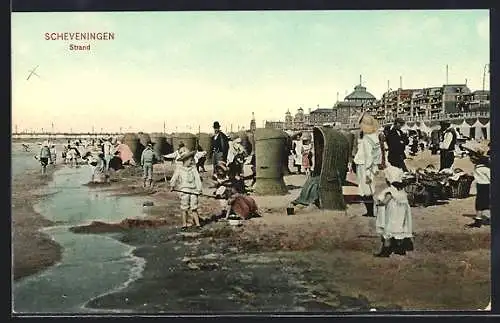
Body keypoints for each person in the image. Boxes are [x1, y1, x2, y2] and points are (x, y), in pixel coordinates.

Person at [374, 166, 414, 257]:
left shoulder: (390, 191)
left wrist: (379, 203)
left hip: (392, 214)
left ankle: (386, 250)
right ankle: (400, 249)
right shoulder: (401, 191)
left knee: (388, 230)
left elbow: (385, 201)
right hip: (401, 215)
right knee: (399, 230)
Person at [354, 113, 382, 217]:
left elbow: (368, 156)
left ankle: (370, 212)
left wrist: (367, 171)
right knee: (370, 188)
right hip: (371, 166)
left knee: (365, 189)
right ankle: (371, 211)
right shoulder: (374, 137)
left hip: (364, 166)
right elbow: (377, 155)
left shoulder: (367, 139)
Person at [169, 150, 202, 231]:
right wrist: (172, 186)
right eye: (190, 160)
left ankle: (198, 224)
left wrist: (199, 189)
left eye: (192, 160)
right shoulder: (179, 169)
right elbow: (174, 178)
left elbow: (197, 180)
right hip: (184, 190)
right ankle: (184, 224)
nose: (191, 162)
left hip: (193, 190)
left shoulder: (193, 169)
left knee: (194, 207)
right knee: (184, 208)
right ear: (185, 160)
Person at [466, 146, 490, 228]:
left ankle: (479, 220)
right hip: (481, 186)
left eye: (471, 157)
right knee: (481, 203)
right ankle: (479, 219)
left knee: (483, 203)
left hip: (486, 186)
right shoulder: (479, 167)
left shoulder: (484, 169)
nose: (470, 159)